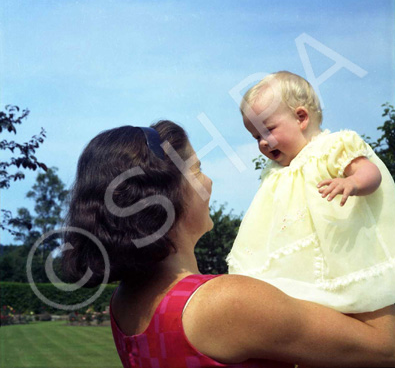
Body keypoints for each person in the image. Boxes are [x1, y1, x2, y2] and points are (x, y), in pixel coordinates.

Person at [62, 121, 395, 368]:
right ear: (162, 200)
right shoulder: (225, 302)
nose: (208, 180)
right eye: (197, 169)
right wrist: (360, 218)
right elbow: (385, 348)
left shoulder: (124, 302)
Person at [226, 71, 395, 315]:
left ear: (301, 118)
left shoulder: (331, 147)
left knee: (355, 297)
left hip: (342, 248)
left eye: (268, 130)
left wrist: (353, 183)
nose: (262, 142)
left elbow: (371, 172)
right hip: (300, 260)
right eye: (256, 137)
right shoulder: (276, 173)